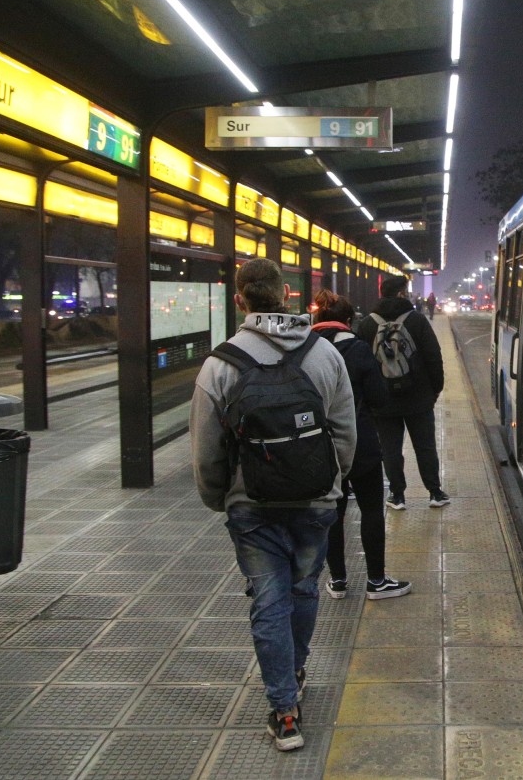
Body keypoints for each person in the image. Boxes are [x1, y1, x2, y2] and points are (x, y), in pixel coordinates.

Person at [190, 259, 356, 753]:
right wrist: (334, 481)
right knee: (304, 590)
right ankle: (296, 669)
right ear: (286, 295)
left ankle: (284, 710)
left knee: (268, 601)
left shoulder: (220, 363)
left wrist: (220, 496)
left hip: (252, 508)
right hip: (316, 502)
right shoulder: (325, 354)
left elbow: (205, 451)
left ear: (239, 299)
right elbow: (345, 431)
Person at [311, 289, 412, 601]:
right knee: (371, 511)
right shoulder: (357, 350)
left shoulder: (304, 350)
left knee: (333, 514)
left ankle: (338, 581)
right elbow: (380, 398)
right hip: (361, 445)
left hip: (320, 447)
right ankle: (377, 581)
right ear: (348, 320)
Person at [359, 274, 449, 510]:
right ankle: (435, 493)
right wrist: (435, 390)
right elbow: (434, 357)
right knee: (425, 446)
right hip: (418, 398)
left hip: (382, 400)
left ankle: (397, 496)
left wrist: (369, 397)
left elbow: (363, 363)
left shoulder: (368, 323)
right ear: (401, 293)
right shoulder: (417, 320)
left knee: (390, 449)